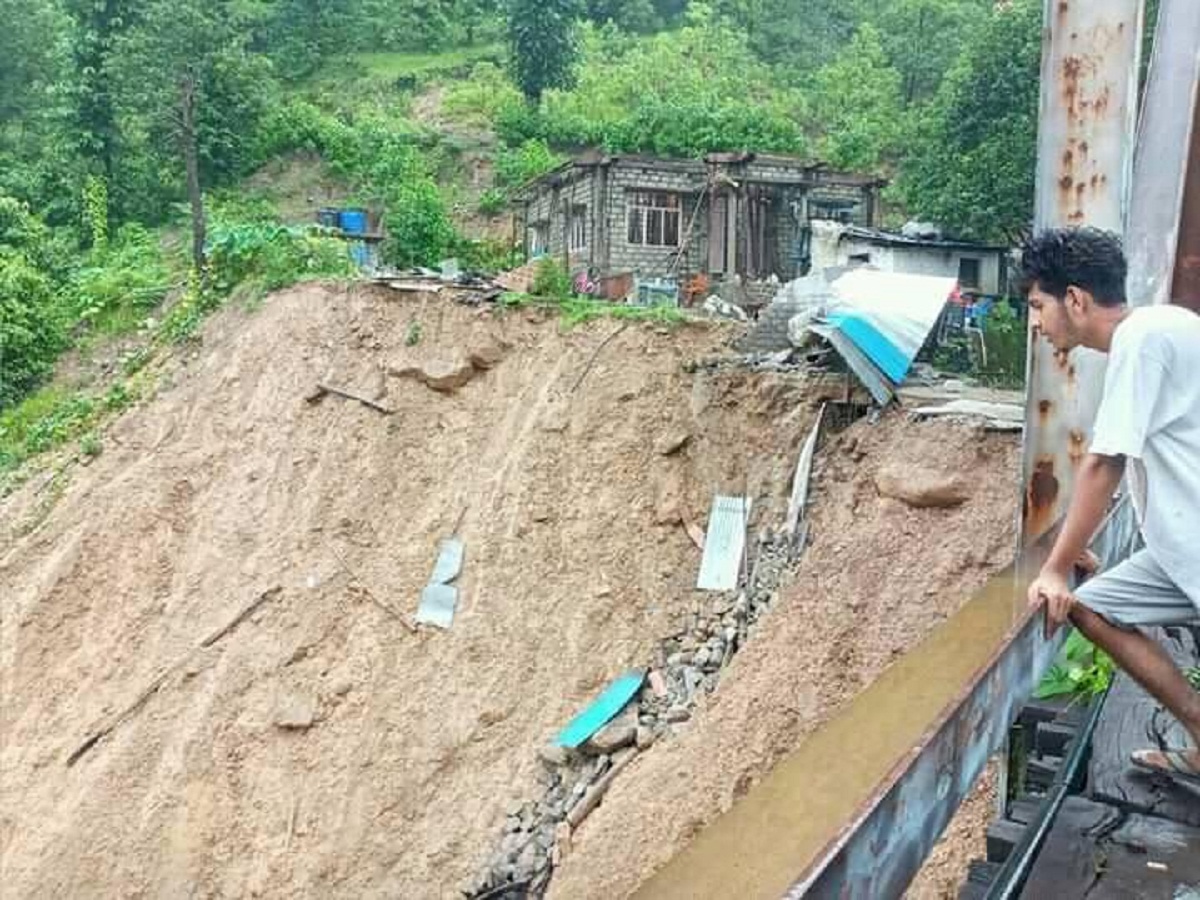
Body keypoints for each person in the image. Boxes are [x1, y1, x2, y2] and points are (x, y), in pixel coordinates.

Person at [1021, 227, 1200, 784]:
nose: (1035, 323)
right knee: (1092, 607)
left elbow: (1106, 462)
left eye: (1037, 305)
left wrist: (1054, 568)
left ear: (1074, 299)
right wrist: (1079, 546)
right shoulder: (1166, 326)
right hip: (1181, 544)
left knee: (1073, 599)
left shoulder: (1141, 339)